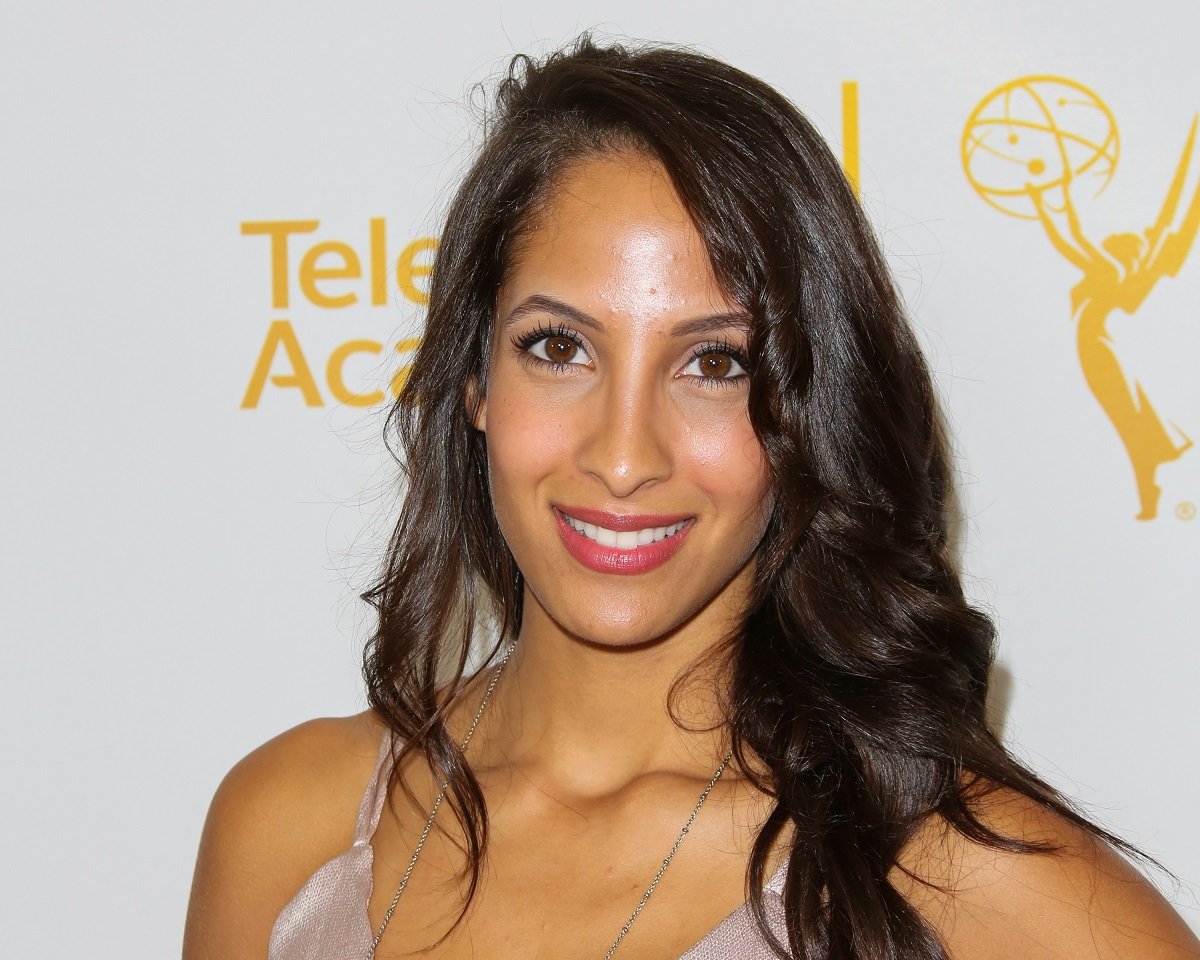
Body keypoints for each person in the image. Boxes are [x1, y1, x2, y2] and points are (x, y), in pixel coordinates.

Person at [183, 37, 1200, 960]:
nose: (624, 456)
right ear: (476, 384)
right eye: (558, 348)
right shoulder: (287, 829)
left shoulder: (975, 891)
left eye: (715, 364)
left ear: (805, 411)